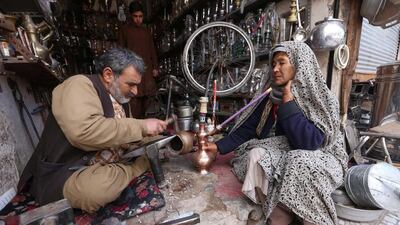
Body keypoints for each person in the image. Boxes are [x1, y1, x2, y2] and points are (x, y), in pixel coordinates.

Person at [204, 41, 348, 225]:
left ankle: (311, 219)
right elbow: (249, 129)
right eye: (273, 64)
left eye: (282, 62)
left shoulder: (319, 98)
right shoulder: (272, 96)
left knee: (298, 162)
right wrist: (217, 147)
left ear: (298, 64)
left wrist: (288, 104)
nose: (275, 69)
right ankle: (279, 215)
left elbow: (311, 143)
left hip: (322, 156)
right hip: (289, 151)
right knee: (257, 155)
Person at [18, 48, 167, 213]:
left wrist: (152, 136)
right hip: (66, 172)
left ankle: (132, 168)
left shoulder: (119, 98)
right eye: (131, 84)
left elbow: (122, 134)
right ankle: (137, 168)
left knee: (155, 142)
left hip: (105, 163)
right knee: (98, 190)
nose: (135, 91)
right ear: (108, 74)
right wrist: (142, 126)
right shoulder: (78, 85)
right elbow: (85, 132)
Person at [118, 1, 159, 119]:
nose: (138, 19)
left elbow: (152, 50)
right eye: (135, 16)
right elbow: (121, 51)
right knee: (134, 100)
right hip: (132, 69)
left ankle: (146, 127)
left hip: (147, 70)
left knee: (148, 99)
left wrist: (155, 67)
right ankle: (136, 127)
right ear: (131, 16)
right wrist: (122, 69)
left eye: (140, 16)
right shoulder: (124, 30)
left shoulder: (146, 31)